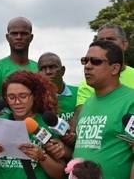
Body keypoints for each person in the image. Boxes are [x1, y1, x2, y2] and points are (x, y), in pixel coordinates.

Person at [0, 70, 66, 179]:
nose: (17, 102)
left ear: (34, 96)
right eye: (11, 97)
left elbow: (59, 174)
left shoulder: (46, 123)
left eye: (23, 96)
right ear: (5, 98)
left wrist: (42, 157)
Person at [73, 40, 134, 179]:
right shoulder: (88, 103)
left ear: (115, 68)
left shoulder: (131, 101)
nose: (87, 66)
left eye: (96, 61)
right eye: (85, 60)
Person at [72, 24, 134, 131]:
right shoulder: (87, 83)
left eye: (111, 39)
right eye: (101, 40)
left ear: (124, 44)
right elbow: (82, 123)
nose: (87, 66)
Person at [0, 17, 38, 103]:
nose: (19, 37)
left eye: (24, 33)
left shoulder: (39, 68)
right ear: (8, 37)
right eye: (14, 33)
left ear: (31, 37)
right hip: (3, 117)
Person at [38, 52, 78, 122]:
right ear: (38, 74)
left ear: (62, 71)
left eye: (52, 67)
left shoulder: (79, 93)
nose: (48, 72)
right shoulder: (35, 99)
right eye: (43, 68)